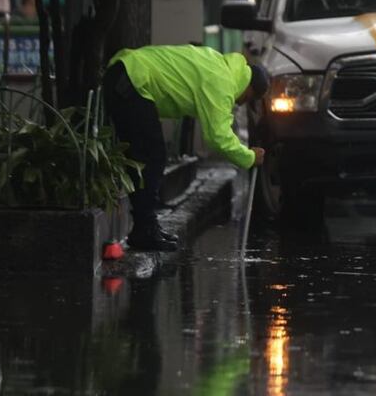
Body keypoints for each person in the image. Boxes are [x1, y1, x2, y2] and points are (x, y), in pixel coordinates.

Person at [103, 45, 269, 251]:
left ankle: (146, 227)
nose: (242, 103)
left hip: (126, 74)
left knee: (145, 156)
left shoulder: (219, 65)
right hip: (132, 80)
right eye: (248, 99)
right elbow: (218, 137)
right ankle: (144, 230)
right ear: (250, 89)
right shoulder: (223, 82)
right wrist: (250, 157)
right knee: (151, 156)